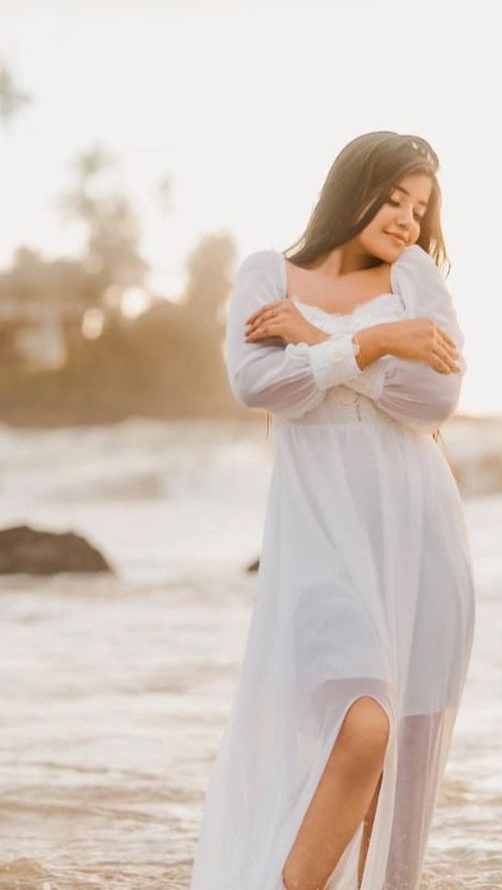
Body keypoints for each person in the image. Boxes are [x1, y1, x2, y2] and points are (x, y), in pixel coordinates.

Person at [189, 131, 476, 890]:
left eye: (421, 207)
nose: (409, 220)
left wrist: (321, 342)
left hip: (421, 530)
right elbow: (260, 386)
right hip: (320, 530)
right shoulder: (267, 274)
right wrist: (379, 340)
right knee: (361, 726)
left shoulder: (414, 278)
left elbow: (434, 398)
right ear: (353, 187)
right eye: (395, 197)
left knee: (401, 752)